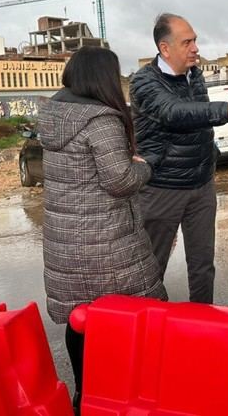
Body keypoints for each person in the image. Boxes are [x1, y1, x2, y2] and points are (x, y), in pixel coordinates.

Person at [38, 47, 167, 413]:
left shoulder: (56, 114)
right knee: (132, 314)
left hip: (65, 243)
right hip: (105, 241)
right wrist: (144, 166)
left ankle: (84, 396)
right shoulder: (100, 119)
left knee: (81, 318)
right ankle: (124, 395)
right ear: (102, 77)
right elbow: (120, 180)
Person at [130, 13, 228, 304]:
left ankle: (203, 323)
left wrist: (211, 153)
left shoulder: (195, 75)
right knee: (150, 270)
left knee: (203, 267)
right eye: (187, 42)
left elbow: (198, 119)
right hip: (163, 187)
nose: (195, 48)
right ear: (165, 48)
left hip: (201, 185)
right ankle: (147, 324)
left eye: (195, 41)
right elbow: (174, 112)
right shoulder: (144, 82)